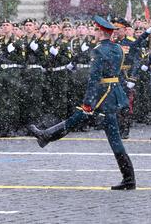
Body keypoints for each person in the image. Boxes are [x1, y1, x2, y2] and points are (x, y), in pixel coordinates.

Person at [28, 16, 136, 190]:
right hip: (112, 92)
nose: (94, 33)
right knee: (105, 131)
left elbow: (94, 79)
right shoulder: (118, 48)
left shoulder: (99, 50)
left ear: (101, 32)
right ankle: (46, 135)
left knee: (108, 133)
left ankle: (46, 136)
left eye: (95, 30)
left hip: (101, 94)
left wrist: (88, 102)